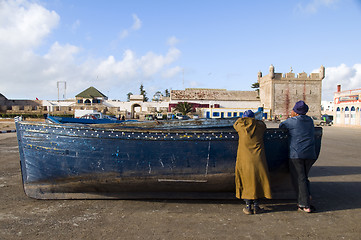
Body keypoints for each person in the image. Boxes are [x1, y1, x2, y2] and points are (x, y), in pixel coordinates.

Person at [279, 100, 317, 213]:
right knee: (304, 177)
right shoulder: (310, 120)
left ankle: (305, 205)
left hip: (297, 154)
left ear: (295, 112)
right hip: (310, 154)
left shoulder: (292, 122)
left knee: (299, 178)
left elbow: (281, 125)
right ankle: (308, 196)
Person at [233, 110, 272, 215]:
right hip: (258, 159)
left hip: (244, 159)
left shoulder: (240, 126)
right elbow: (263, 124)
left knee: (246, 181)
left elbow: (235, 123)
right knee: (257, 182)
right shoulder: (260, 126)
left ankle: (248, 206)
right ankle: (256, 206)